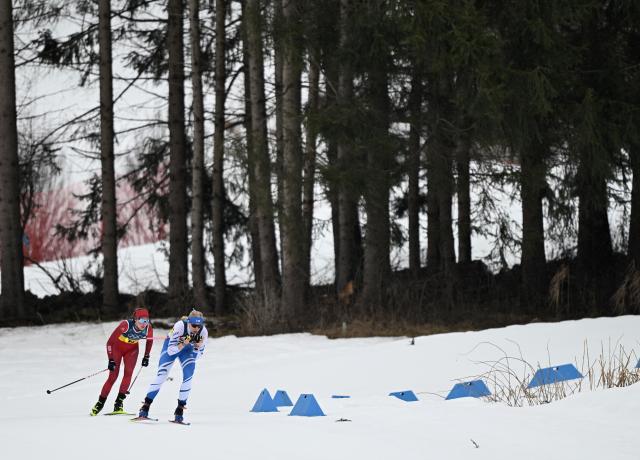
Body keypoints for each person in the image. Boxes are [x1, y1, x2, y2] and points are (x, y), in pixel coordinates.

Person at [137, 310, 208, 423]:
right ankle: (145, 407)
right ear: (189, 323)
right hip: (172, 346)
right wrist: (183, 343)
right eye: (194, 325)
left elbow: (198, 356)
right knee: (162, 375)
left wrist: (197, 347)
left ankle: (179, 411)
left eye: (199, 326)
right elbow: (170, 351)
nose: (196, 328)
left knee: (188, 377)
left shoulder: (203, 332)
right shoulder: (180, 326)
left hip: (187, 350)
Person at [90, 307, 154, 415]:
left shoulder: (148, 328)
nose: (144, 324)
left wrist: (146, 356)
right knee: (113, 377)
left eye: (147, 320)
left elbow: (149, 341)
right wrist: (110, 359)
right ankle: (100, 403)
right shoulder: (125, 325)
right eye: (142, 320)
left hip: (132, 350)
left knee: (128, 374)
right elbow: (110, 343)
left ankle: (118, 404)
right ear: (135, 319)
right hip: (117, 349)